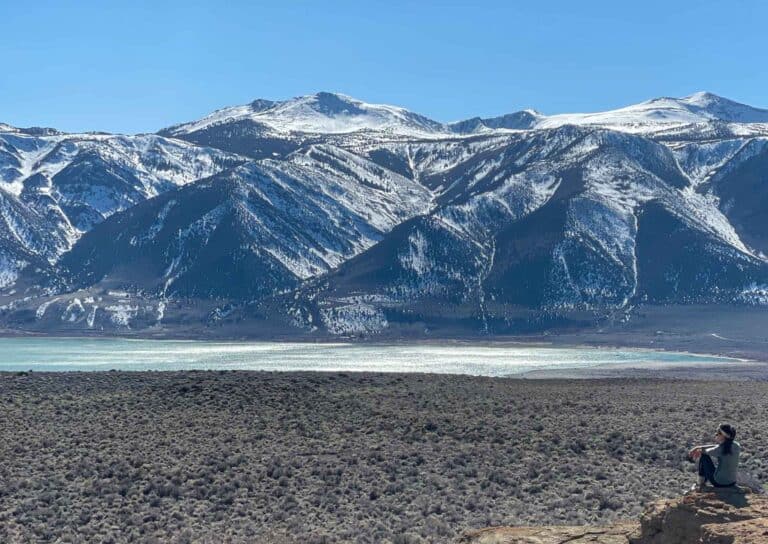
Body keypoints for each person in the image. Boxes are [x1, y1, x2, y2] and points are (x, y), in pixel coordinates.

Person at [688, 423, 740, 491]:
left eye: (718, 433)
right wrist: (698, 447)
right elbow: (717, 447)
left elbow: (706, 451)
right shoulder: (737, 446)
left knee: (704, 457)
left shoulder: (719, 449)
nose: (716, 434)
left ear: (723, 436)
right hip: (732, 482)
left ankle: (700, 484)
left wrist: (699, 450)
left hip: (719, 482)